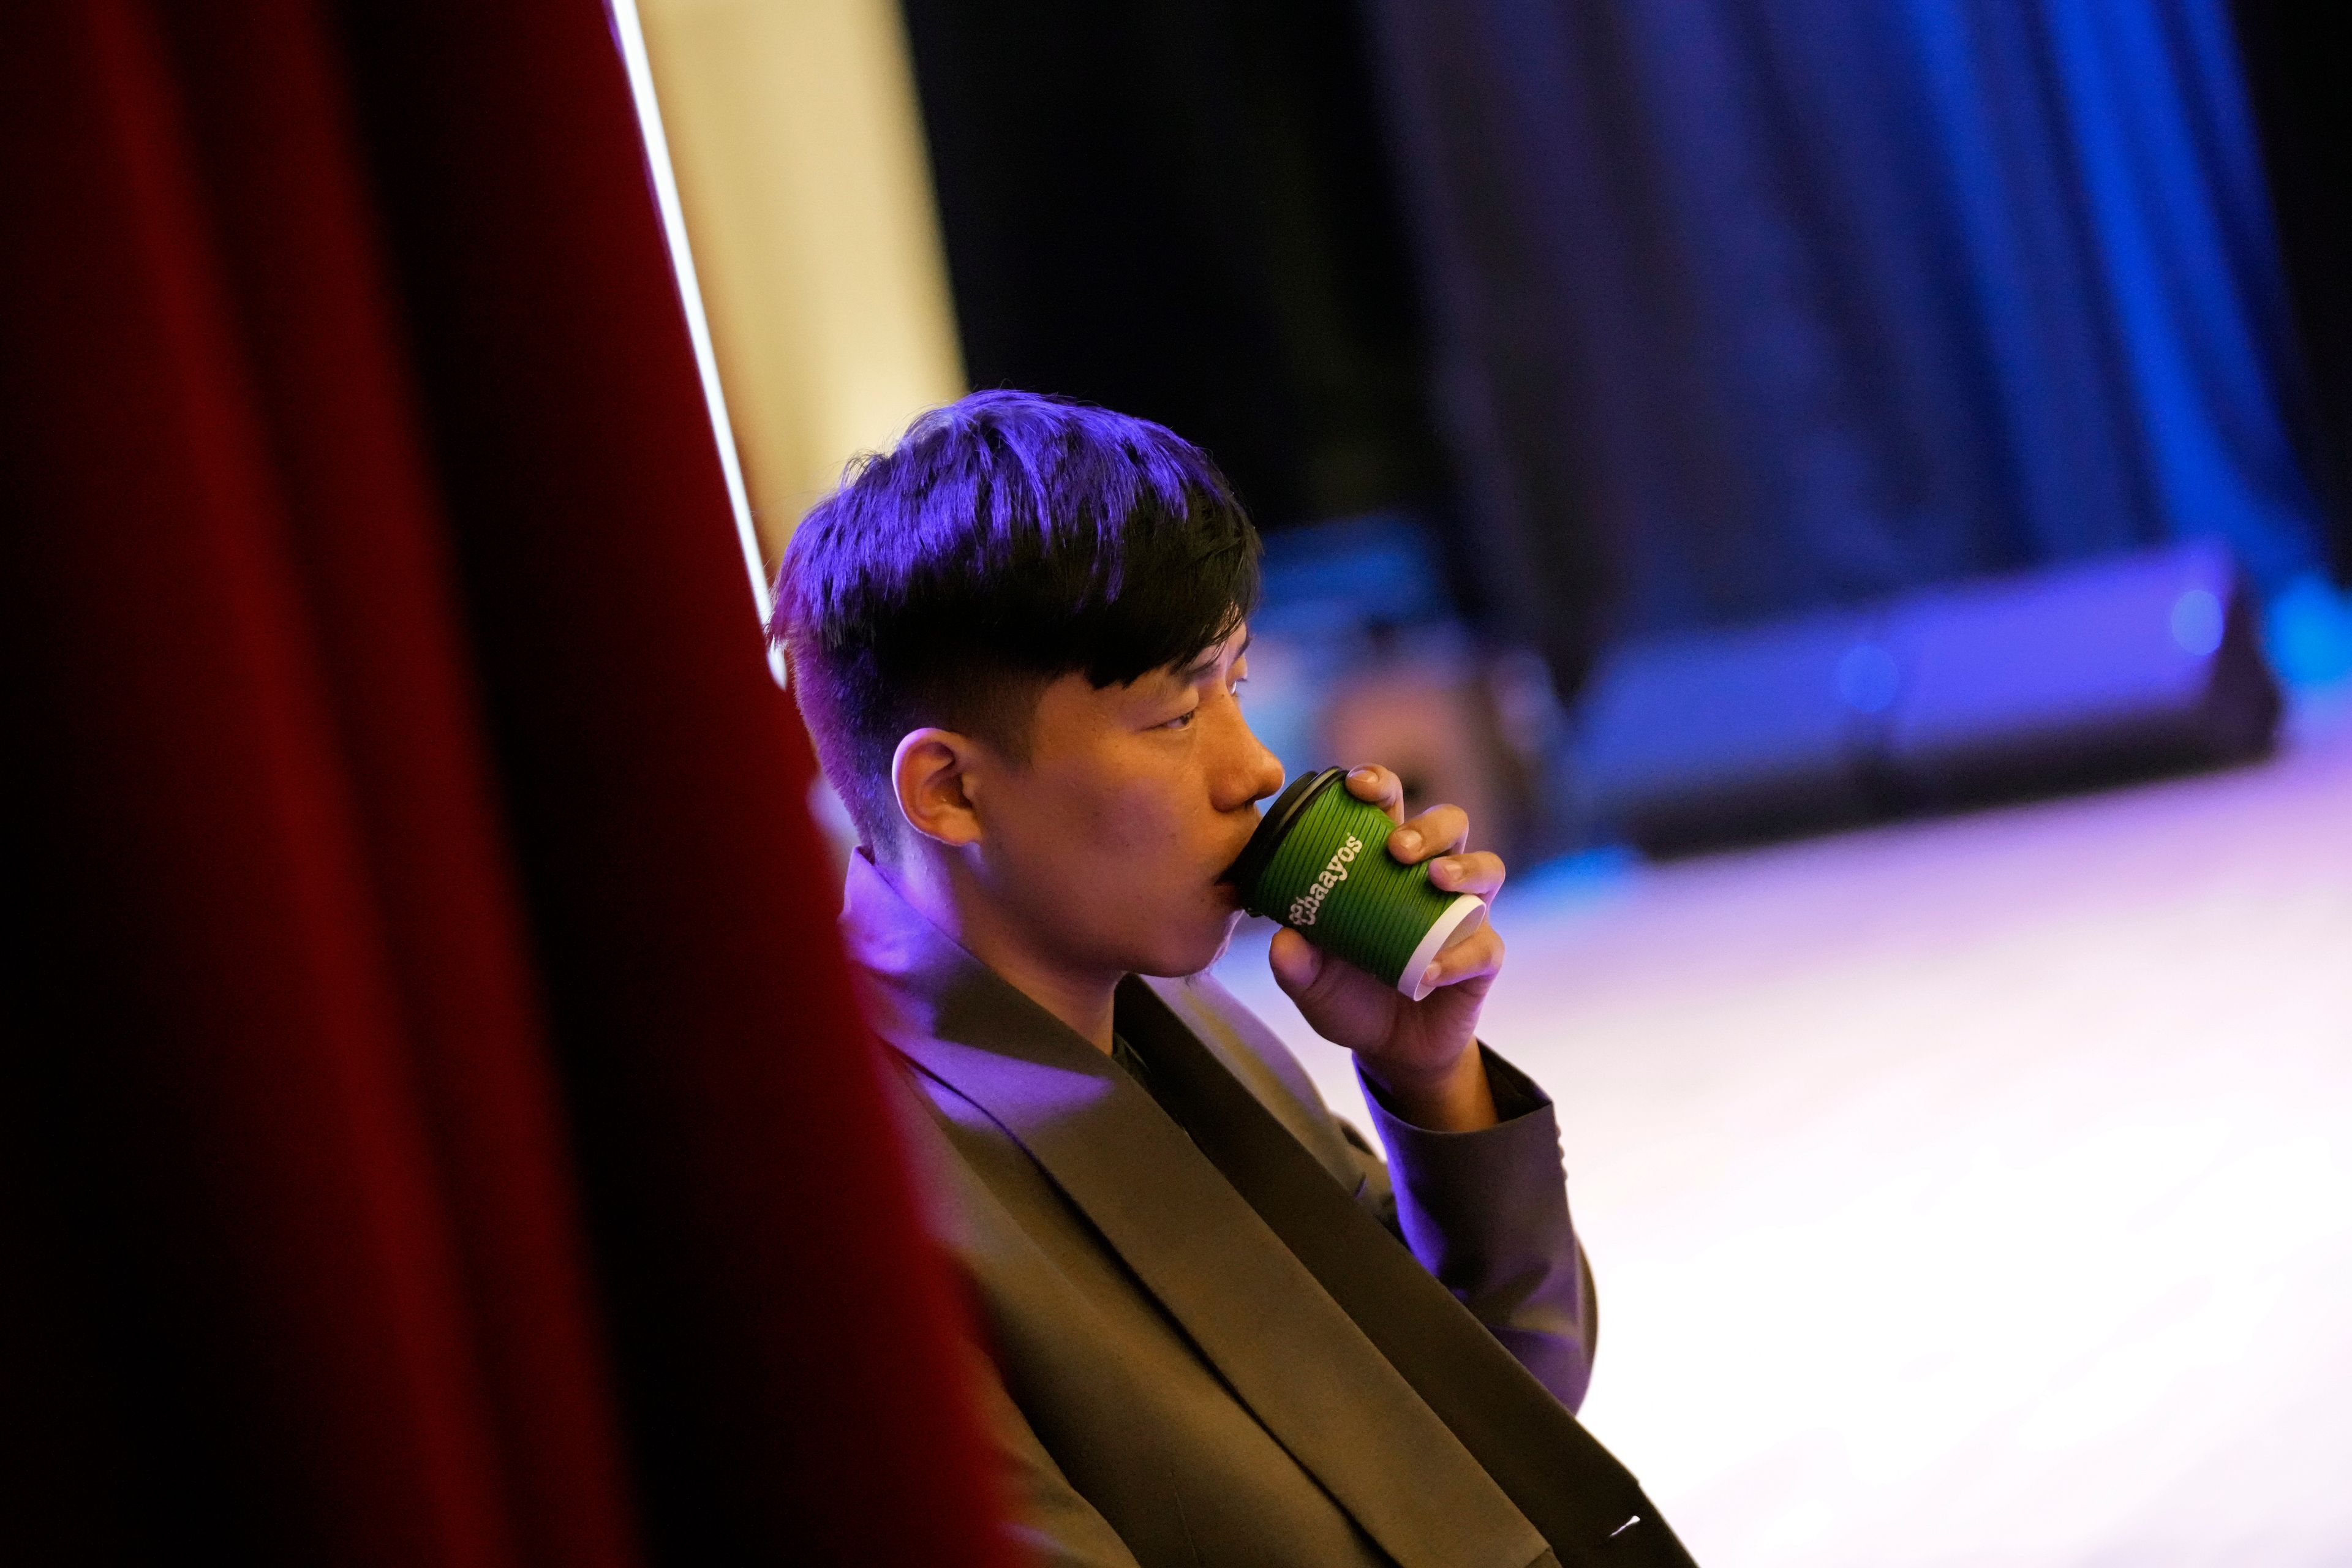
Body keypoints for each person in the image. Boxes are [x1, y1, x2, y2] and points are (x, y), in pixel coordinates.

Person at [770, 391, 1691, 1567]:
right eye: (1172, 715)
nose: (1254, 767)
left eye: (1236, 682)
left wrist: (1428, 1075)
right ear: (948, 790)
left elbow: (1503, 1408)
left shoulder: (1194, 1023)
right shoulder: (849, 1201)